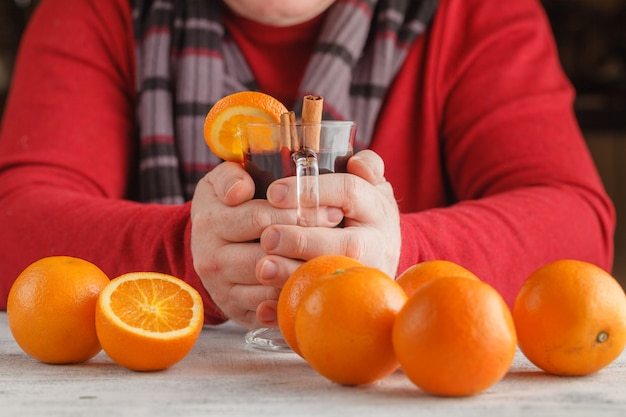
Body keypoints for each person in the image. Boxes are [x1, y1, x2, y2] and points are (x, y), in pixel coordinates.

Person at [0, 0, 615, 330]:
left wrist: (403, 255)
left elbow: (574, 224)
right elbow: (16, 219)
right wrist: (185, 252)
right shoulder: (96, 10)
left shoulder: (476, 12)